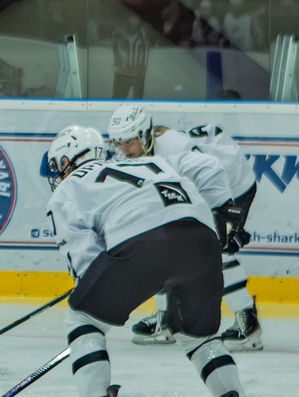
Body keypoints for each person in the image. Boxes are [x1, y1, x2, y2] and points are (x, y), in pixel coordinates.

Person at [41, 125, 262, 397]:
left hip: (141, 244)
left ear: (67, 160)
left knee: (82, 317)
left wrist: (100, 284)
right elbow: (198, 177)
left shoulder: (67, 189)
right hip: (202, 242)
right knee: (198, 336)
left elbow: (85, 263)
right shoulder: (147, 161)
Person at [105, 105, 265, 351]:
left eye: (129, 143)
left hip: (230, 185)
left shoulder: (173, 149)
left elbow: (212, 172)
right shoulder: (130, 156)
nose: (124, 150)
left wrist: (224, 215)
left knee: (215, 249)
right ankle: (167, 318)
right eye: (119, 144)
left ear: (145, 135)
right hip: (194, 186)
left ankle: (248, 322)